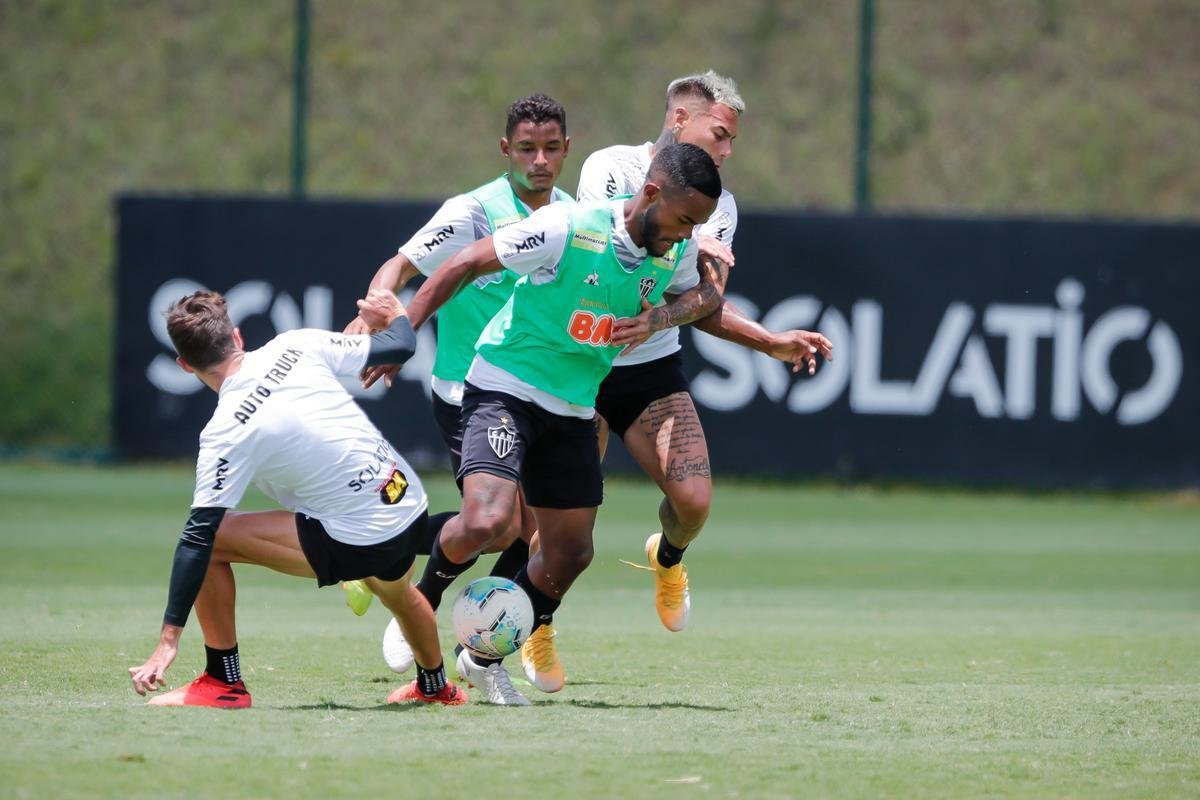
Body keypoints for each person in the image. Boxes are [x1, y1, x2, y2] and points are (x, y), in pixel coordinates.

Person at [378, 143, 723, 704]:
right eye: (685, 220)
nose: (688, 234)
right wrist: (403, 330)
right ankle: (420, 601)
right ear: (652, 194)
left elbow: (705, 299)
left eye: (698, 225)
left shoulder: (674, 249)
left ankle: (484, 656)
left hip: (573, 409)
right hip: (504, 388)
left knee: (570, 553)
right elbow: (466, 262)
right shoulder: (566, 226)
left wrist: (661, 315)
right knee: (488, 520)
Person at [575, 70, 833, 635]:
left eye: (733, 140)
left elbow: (707, 297)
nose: (728, 150)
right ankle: (535, 629)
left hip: (649, 367)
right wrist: (690, 238)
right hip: (581, 364)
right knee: (564, 531)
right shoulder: (609, 167)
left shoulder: (721, 205)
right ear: (678, 120)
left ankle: (666, 560)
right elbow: (607, 252)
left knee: (692, 503)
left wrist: (764, 340)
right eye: (720, 133)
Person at [127, 289, 466, 707]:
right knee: (395, 590)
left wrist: (168, 640)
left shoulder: (224, 431)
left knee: (215, 540)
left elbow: (197, 537)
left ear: (184, 364)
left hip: (361, 536)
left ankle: (223, 682)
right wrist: (397, 314)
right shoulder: (295, 343)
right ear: (237, 336)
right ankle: (436, 687)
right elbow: (399, 345)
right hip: (406, 502)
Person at [341, 94, 574, 675]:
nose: (539, 160)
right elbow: (401, 267)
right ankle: (410, 595)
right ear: (505, 150)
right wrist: (382, 316)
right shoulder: (474, 211)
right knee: (497, 526)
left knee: (534, 527)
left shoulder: (575, 214)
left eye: (550, 149)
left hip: (542, 393)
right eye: (526, 149)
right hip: (469, 392)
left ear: (567, 150)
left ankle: (485, 639)